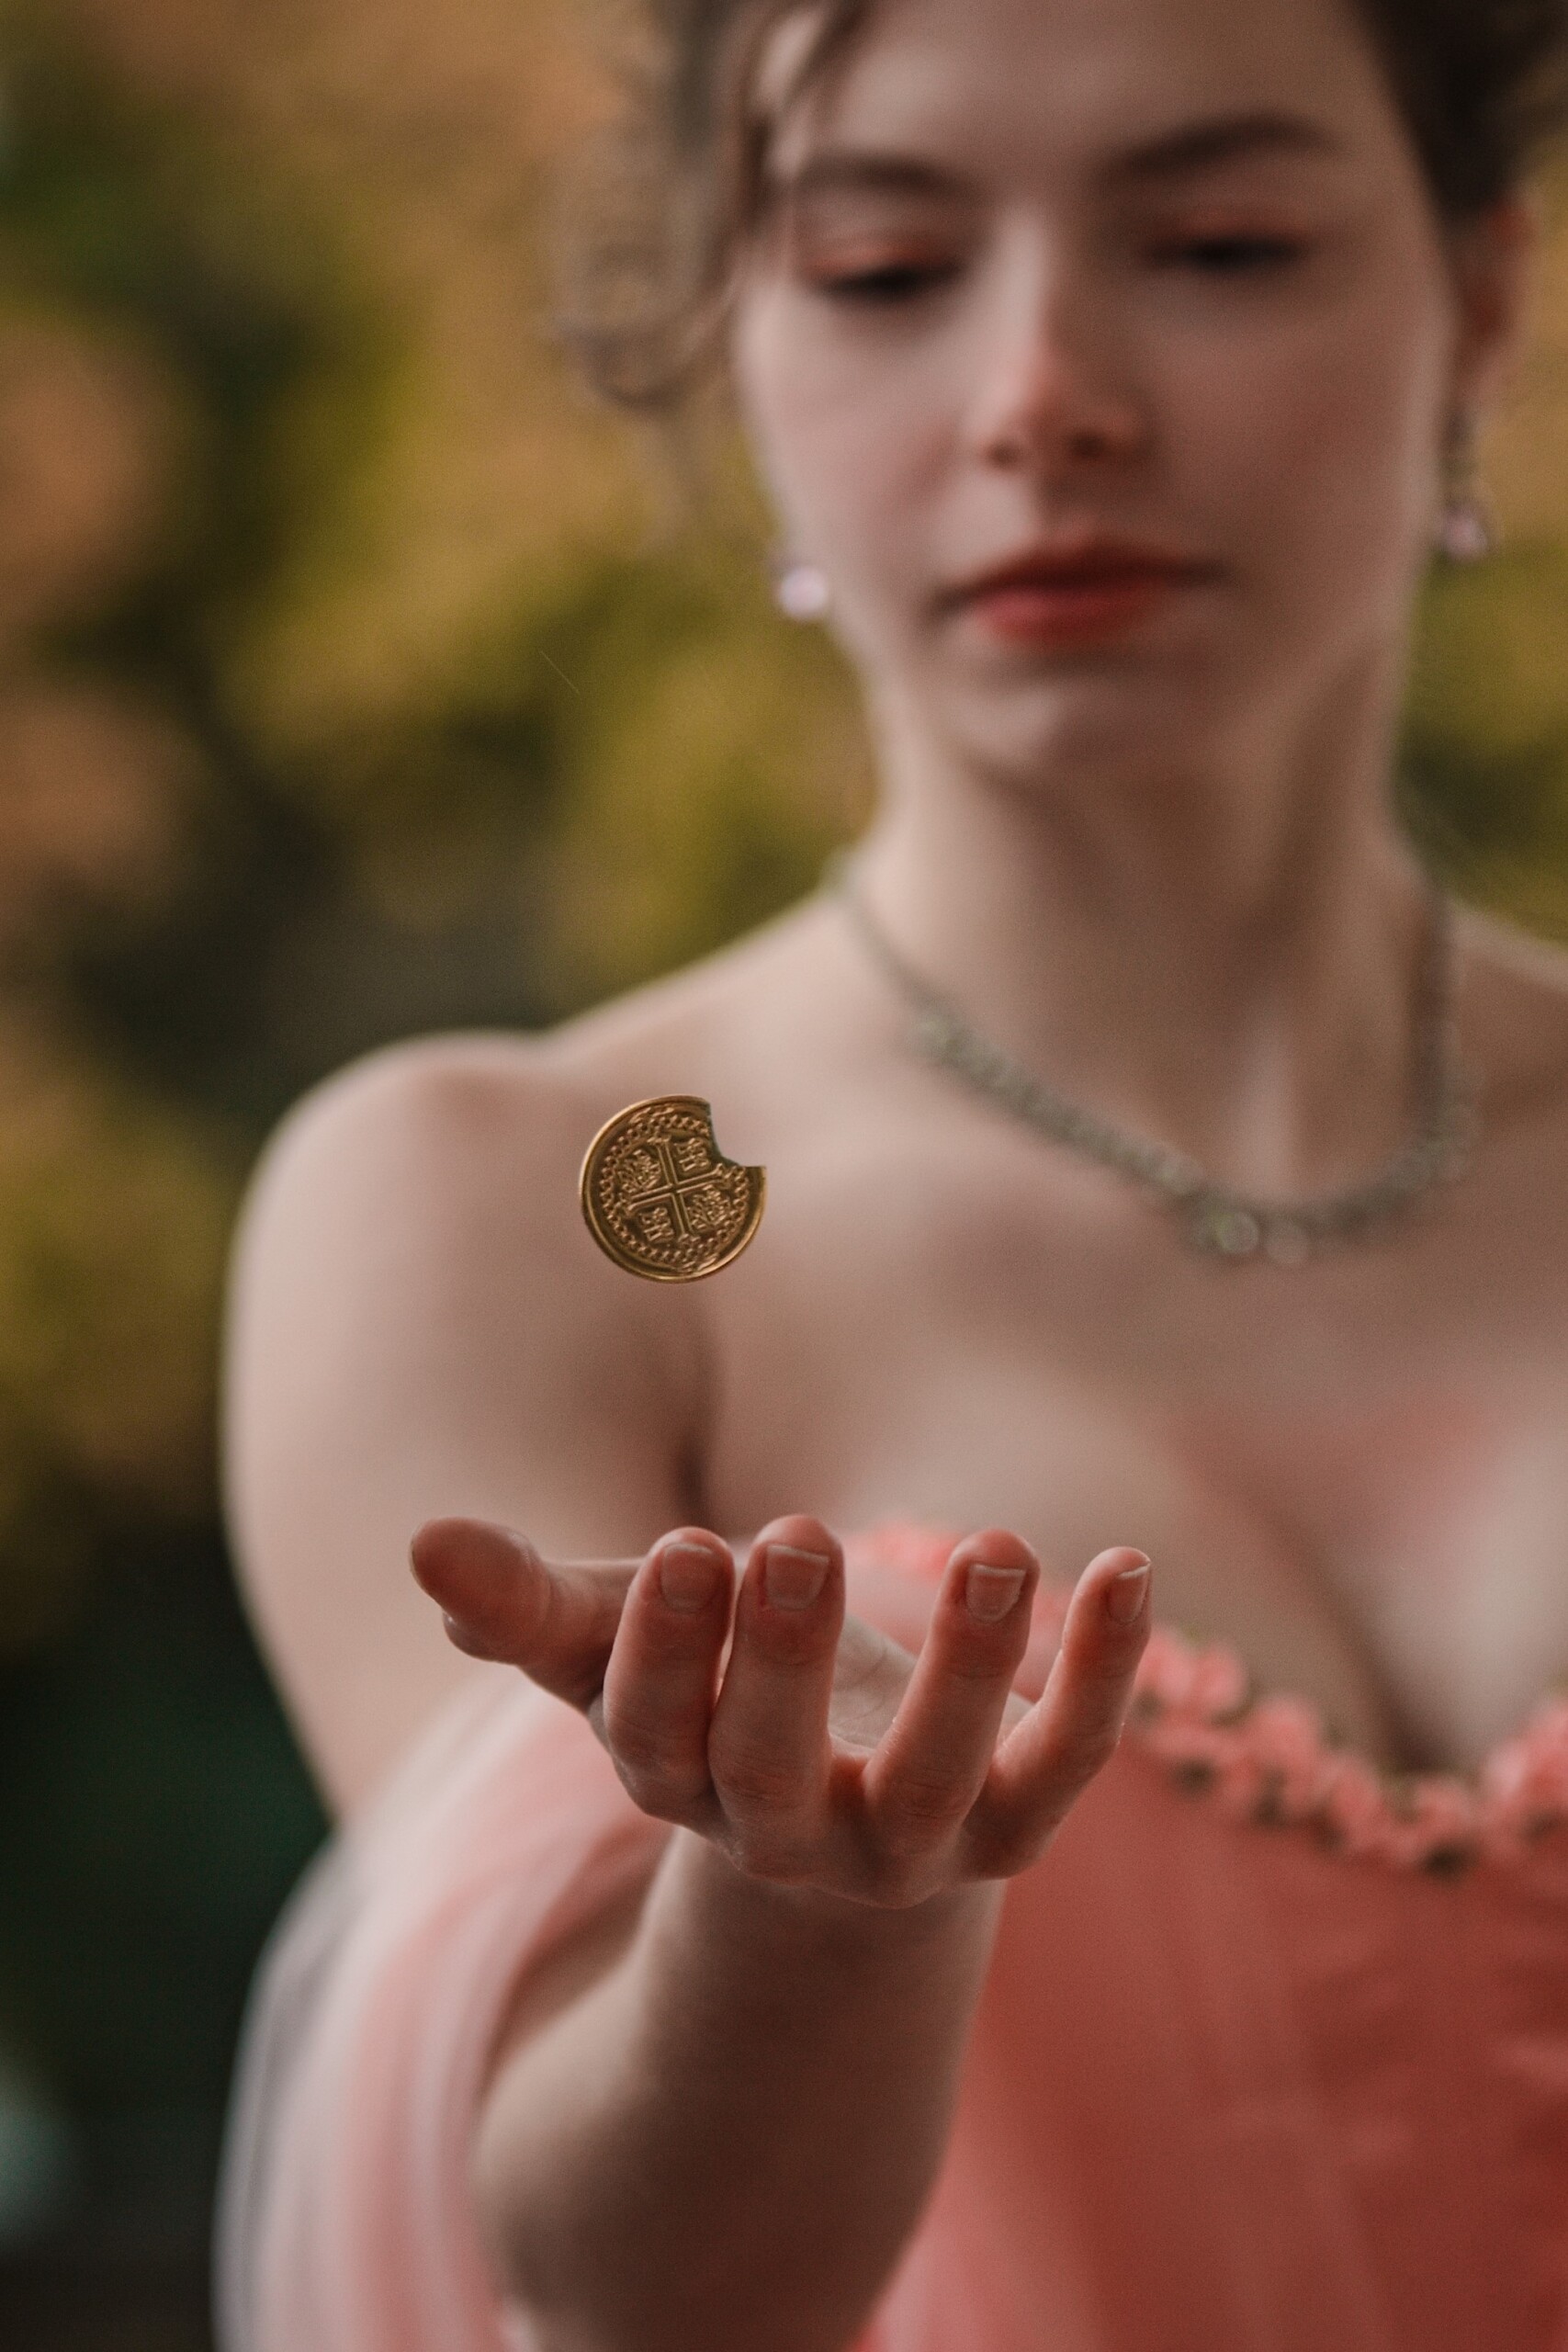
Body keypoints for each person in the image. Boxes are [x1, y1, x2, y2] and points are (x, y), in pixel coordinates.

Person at [214, 1, 1568, 2346]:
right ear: (732, 336)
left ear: (1477, 292)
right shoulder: (531, 1211)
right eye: (879, 270)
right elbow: (602, 2288)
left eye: (1218, 243)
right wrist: (813, 1917)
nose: (1039, 395)